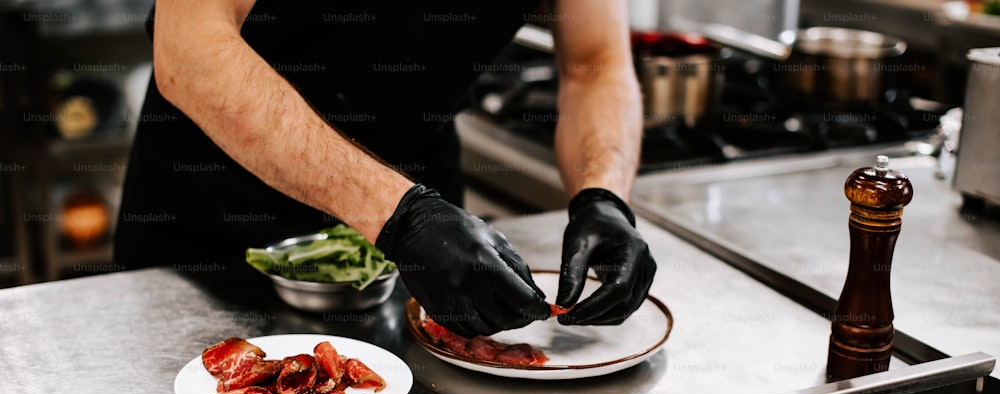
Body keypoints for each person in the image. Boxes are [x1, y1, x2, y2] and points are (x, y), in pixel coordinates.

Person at [114, 0, 656, 337]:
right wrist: (396, 213)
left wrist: (603, 197)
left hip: (428, 248)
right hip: (212, 233)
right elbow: (191, 51)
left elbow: (596, 64)